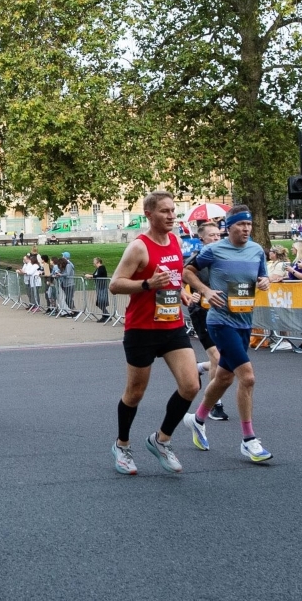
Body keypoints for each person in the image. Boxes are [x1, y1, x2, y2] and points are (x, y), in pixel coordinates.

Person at [109, 191, 199, 475]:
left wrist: (181, 293)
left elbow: (174, 274)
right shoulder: (138, 247)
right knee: (135, 393)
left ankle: (161, 440)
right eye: (164, 211)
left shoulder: (176, 240)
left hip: (172, 326)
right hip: (142, 329)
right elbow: (115, 284)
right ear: (149, 214)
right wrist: (147, 284)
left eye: (173, 210)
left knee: (191, 385)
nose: (171, 216)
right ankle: (122, 445)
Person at [182, 206, 273, 462]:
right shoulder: (214, 250)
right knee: (248, 377)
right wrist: (206, 291)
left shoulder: (256, 250)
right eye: (240, 225)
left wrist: (265, 282)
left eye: (249, 225)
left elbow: (261, 277)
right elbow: (187, 272)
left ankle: (197, 419)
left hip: (244, 322)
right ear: (229, 227)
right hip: (220, 322)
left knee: (223, 378)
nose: (246, 229)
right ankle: (248, 440)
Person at [183, 224, 229, 421]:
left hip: (225, 311)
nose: (216, 238)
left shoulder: (227, 257)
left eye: (218, 235)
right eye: (212, 235)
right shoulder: (196, 259)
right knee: (218, 359)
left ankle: (200, 368)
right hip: (201, 311)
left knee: (229, 361)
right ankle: (214, 405)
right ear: (202, 239)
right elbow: (178, 279)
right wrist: (188, 294)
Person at [86, 258, 110, 322]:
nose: (93, 263)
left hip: (102, 287)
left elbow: (98, 275)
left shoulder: (102, 268)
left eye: (94, 261)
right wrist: (90, 276)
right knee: (99, 302)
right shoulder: (98, 269)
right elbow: (95, 275)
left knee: (101, 302)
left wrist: (90, 276)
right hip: (99, 287)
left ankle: (106, 315)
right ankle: (106, 314)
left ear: (98, 262)